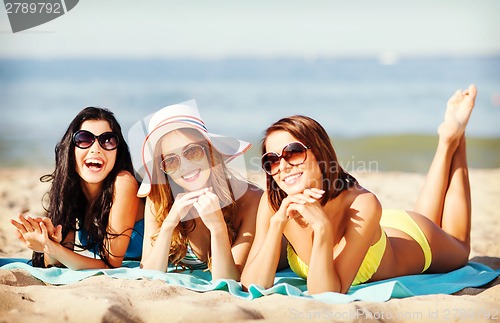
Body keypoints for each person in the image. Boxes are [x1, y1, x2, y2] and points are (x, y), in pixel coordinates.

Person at [241, 85, 477, 294]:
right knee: (428, 216)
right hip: (378, 227)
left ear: (320, 152)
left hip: (418, 239)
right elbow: (252, 285)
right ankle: (449, 141)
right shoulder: (274, 203)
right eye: (271, 160)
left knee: (460, 247)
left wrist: (322, 227)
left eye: (293, 152)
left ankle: (454, 138)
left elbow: (326, 293)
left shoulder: (361, 203)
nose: (283, 166)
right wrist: (276, 225)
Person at [137, 100, 262, 281]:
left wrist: (218, 227)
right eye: (171, 161)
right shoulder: (159, 199)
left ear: (210, 152)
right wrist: (169, 225)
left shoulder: (248, 198)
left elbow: (229, 279)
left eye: (192, 152)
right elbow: (148, 274)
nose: (185, 166)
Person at [10, 107, 144, 269]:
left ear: (117, 151)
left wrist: (53, 248)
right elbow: (59, 262)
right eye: (84, 139)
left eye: (107, 140)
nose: (96, 148)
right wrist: (47, 244)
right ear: (71, 149)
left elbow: (111, 264)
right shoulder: (70, 189)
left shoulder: (123, 182)